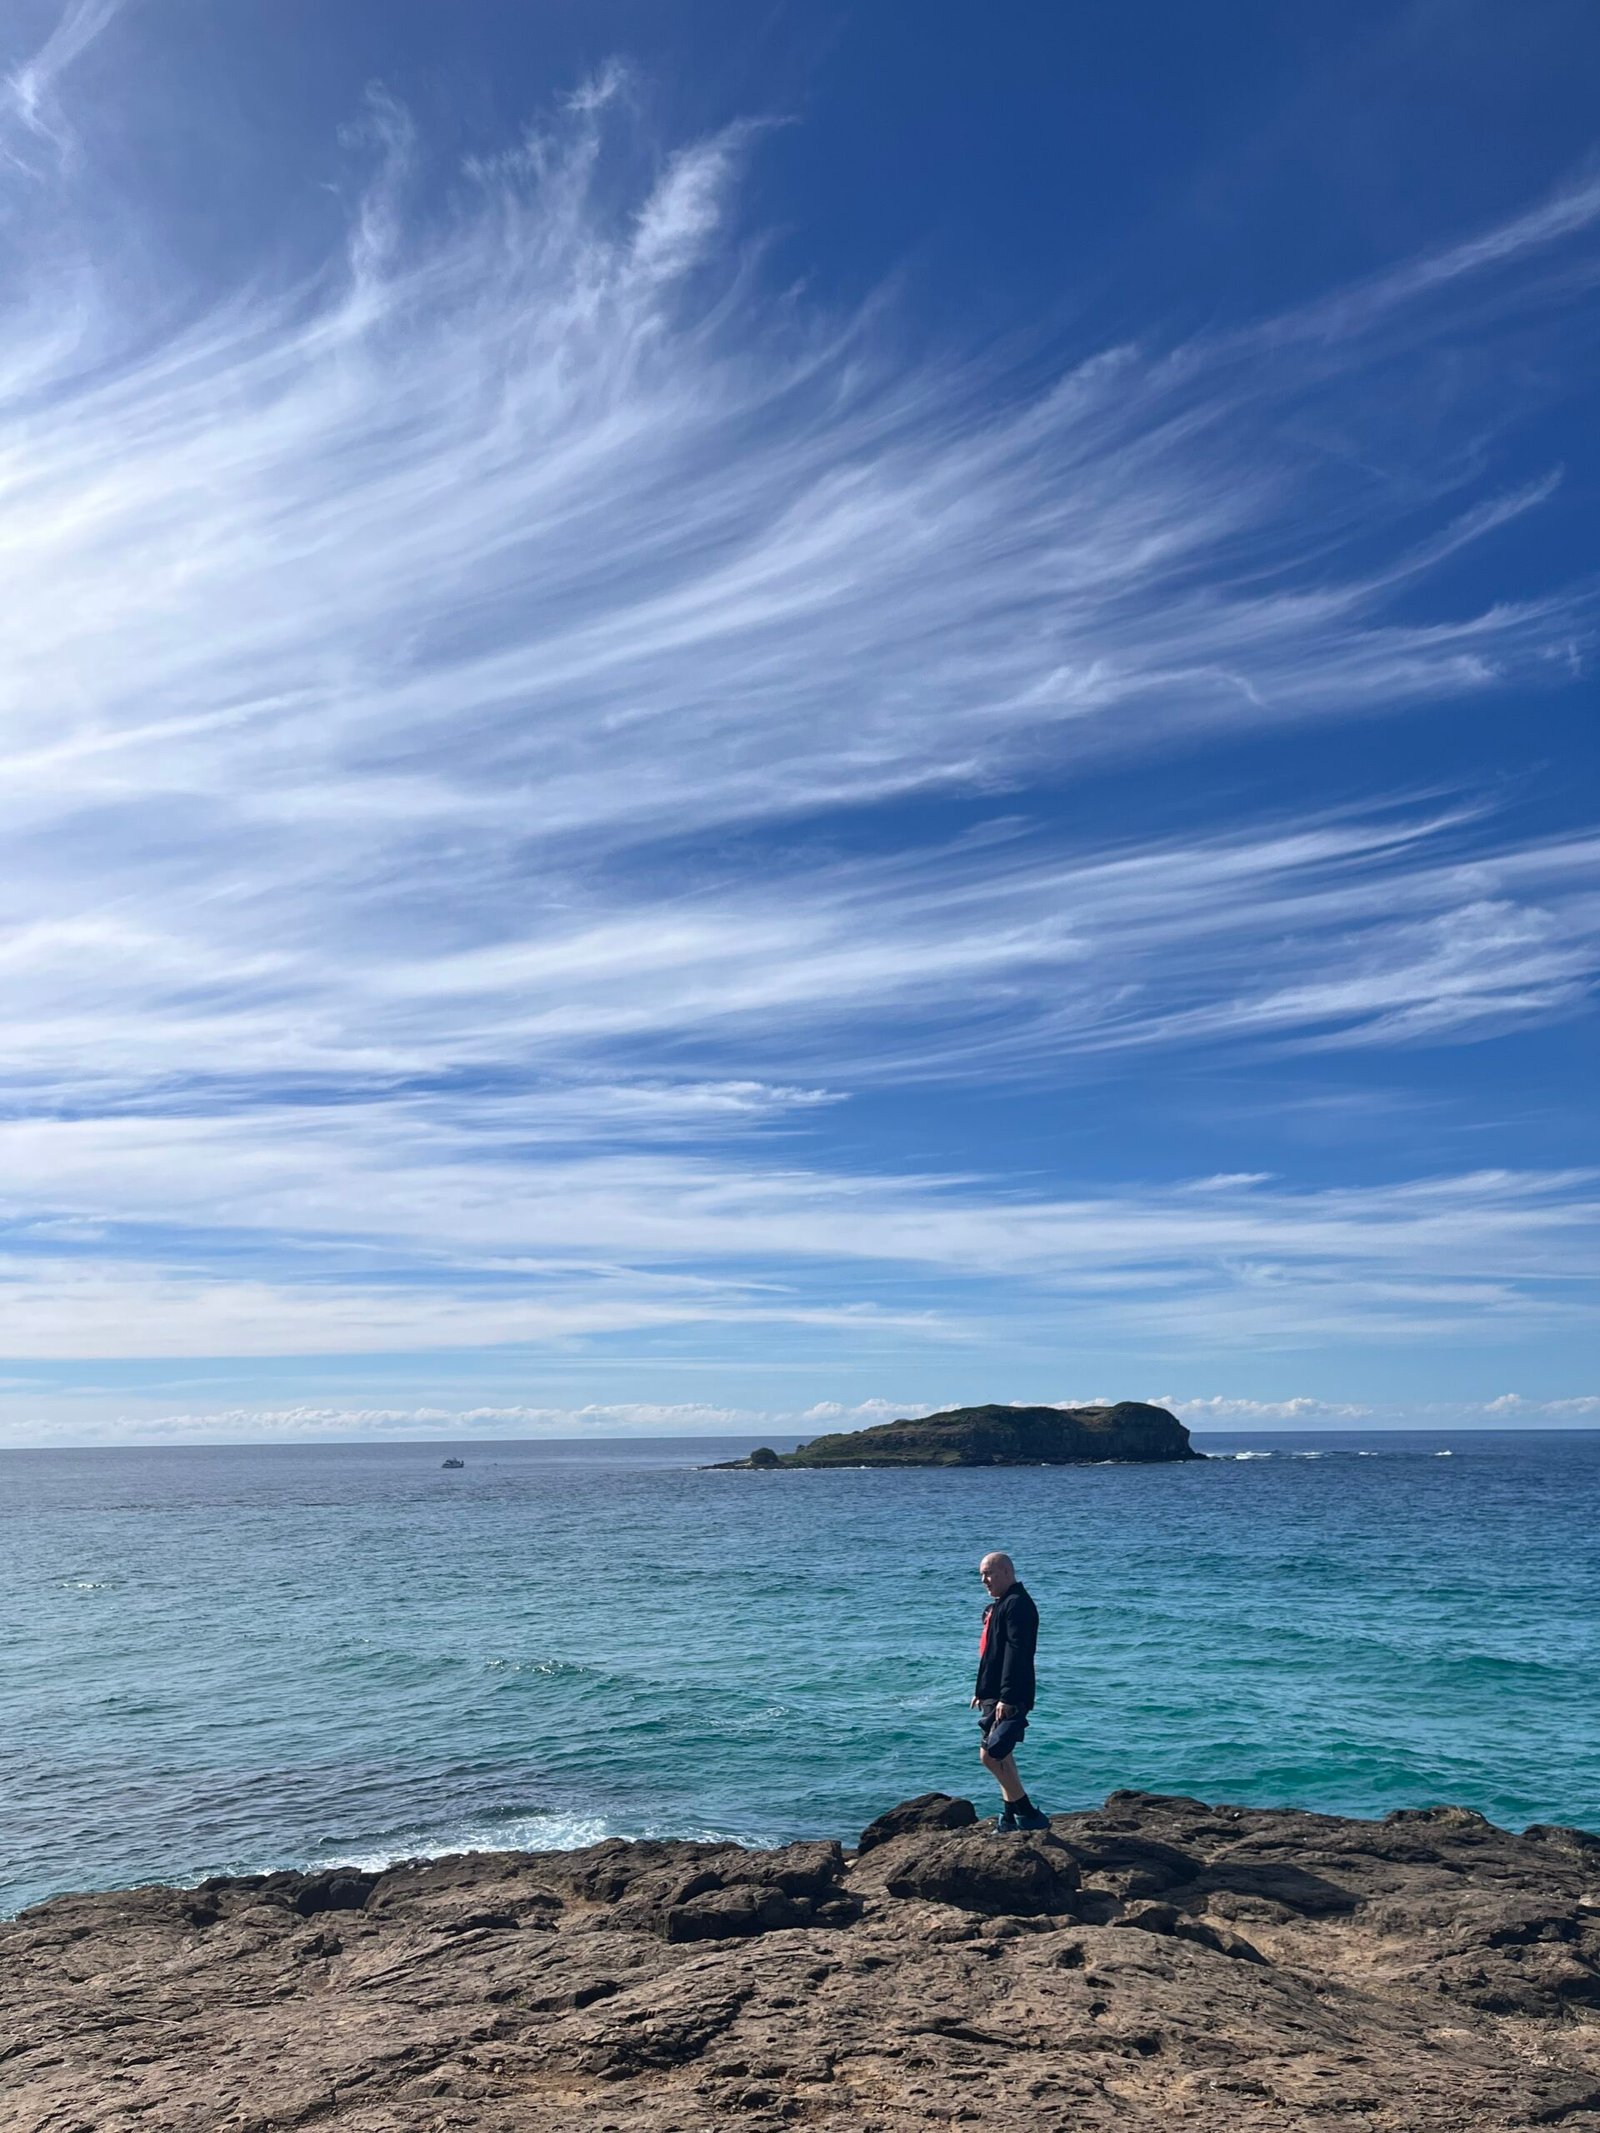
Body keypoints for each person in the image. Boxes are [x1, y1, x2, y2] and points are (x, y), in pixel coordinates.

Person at [971, 1550, 1048, 1831]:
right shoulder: (1003, 1604)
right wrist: (981, 1690)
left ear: (1006, 1572)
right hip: (996, 1694)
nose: (984, 1580)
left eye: (988, 1573)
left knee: (990, 1755)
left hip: (1009, 1695)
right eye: (981, 1575)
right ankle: (1009, 1818)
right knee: (1003, 1755)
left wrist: (1007, 1696)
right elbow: (992, 1654)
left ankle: (1029, 1815)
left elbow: (1017, 1653)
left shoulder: (1017, 1605)